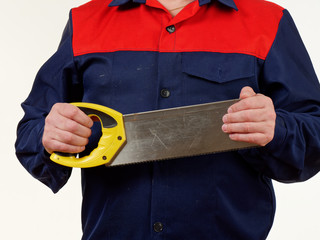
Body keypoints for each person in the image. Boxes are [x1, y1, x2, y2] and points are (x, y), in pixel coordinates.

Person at [15, 0, 320, 239]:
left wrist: (278, 130)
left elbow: (314, 132)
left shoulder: (268, 21)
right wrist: (51, 135)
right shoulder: (86, 21)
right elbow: (32, 131)